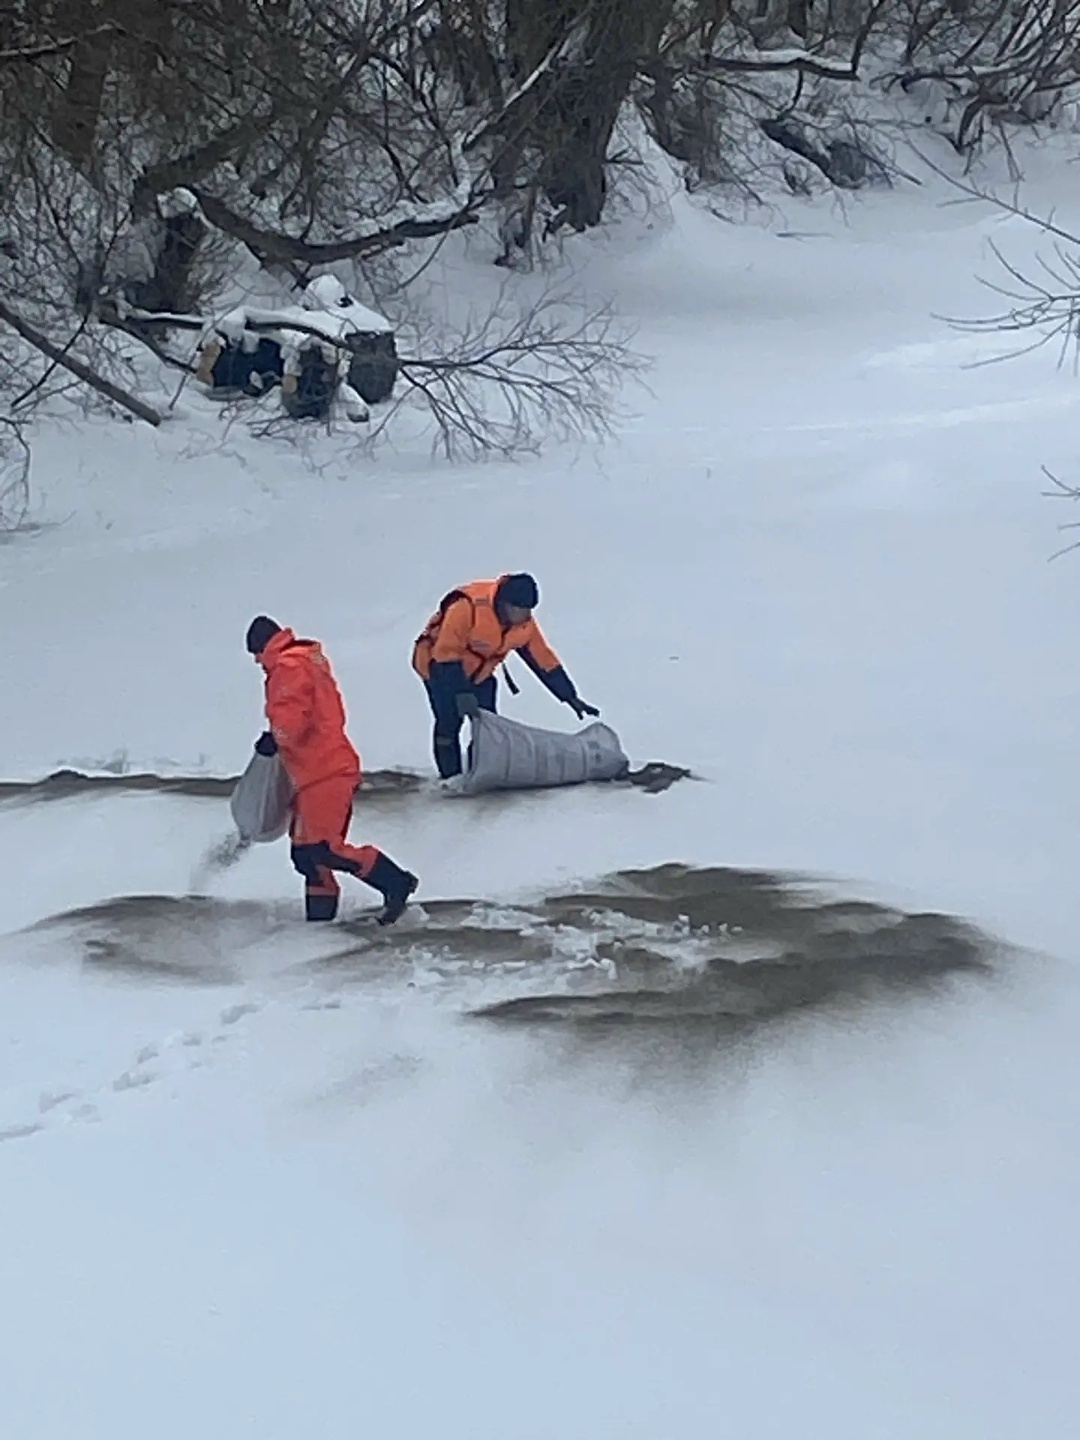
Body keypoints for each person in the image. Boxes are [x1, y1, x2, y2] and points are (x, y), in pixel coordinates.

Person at [246, 616, 418, 924]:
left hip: (325, 772)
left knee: (322, 849)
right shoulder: (306, 659)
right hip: (314, 773)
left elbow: (291, 718)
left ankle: (396, 882)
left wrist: (275, 739)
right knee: (306, 857)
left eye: (256, 655)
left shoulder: (287, 667)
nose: (258, 662)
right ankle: (320, 925)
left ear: (262, 647)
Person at [411, 573, 600, 780]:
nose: (526, 616)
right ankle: (450, 778)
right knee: (449, 723)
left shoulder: (524, 623)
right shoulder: (467, 607)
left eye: (529, 610)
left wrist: (569, 696)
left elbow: (542, 658)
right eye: (521, 610)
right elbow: (445, 654)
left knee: (489, 729)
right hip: (440, 668)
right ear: (505, 604)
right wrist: (461, 693)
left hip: (480, 676)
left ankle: (480, 774)